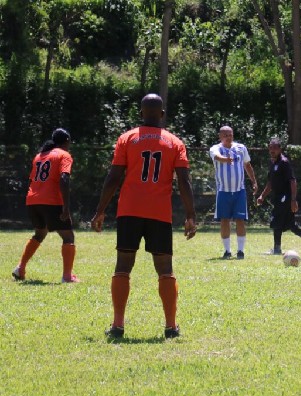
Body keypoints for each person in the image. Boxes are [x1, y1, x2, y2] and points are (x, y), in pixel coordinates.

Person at [91, 94, 197, 339]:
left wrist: (100, 210)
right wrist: (190, 215)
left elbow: (114, 177)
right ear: (162, 114)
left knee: (123, 265)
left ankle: (118, 326)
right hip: (159, 213)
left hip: (129, 211)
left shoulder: (127, 138)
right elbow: (184, 181)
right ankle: (170, 327)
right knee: (165, 268)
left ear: (141, 113)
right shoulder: (175, 142)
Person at [12, 128, 79, 283]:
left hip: (32, 200)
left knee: (40, 233)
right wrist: (66, 206)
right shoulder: (64, 155)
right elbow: (64, 179)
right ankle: (67, 276)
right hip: (51, 201)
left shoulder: (39, 156)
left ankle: (20, 268)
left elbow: (32, 180)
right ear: (67, 141)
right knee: (68, 236)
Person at [257, 138, 301, 254]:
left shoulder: (284, 162)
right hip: (278, 197)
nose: (272, 150)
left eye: (275, 148)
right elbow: (270, 183)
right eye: (270, 148)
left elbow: (292, 181)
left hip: (285, 197)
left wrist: (293, 199)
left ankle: (277, 249)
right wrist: (262, 196)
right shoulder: (272, 162)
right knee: (290, 223)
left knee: (277, 220)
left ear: (280, 149)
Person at [209, 126, 258, 259]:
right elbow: (217, 157)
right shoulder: (215, 148)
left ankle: (240, 251)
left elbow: (247, 165)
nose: (228, 137)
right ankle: (227, 251)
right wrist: (226, 160)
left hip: (239, 191)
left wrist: (254, 181)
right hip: (223, 191)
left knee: (240, 220)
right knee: (224, 220)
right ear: (220, 136)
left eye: (230, 134)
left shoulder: (241, 148)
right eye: (225, 135)